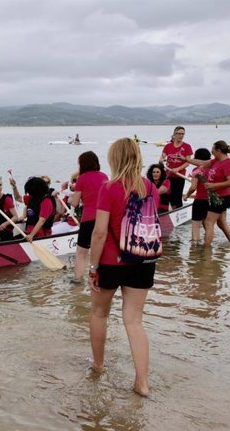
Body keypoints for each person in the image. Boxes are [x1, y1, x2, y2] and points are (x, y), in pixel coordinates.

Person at [88, 138, 161, 397]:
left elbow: (99, 232)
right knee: (134, 321)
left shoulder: (109, 188)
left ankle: (98, 366)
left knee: (99, 313)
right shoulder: (150, 186)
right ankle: (142, 382)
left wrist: (92, 266)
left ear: (114, 159)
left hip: (111, 261)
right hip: (142, 260)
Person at [181, 140, 230, 246]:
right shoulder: (216, 161)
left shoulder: (228, 163)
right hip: (215, 196)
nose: (212, 152)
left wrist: (213, 185)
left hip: (223, 196)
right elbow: (201, 163)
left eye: (213, 150)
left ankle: (206, 248)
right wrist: (186, 159)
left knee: (208, 222)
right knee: (220, 223)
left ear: (219, 151)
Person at [67, 151, 108, 283]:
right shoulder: (104, 176)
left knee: (81, 253)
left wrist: (69, 198)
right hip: (104, 218)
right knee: (102, 250)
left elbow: (74, 203)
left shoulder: (82, 179)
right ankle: (100, 277)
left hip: (88, 218)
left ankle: (78, 279)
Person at [159, 126, 193, 209]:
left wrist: (178, 169)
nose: (181, 136)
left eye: (183, 134)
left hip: (179, 175)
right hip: (168, 175)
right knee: (166, 195)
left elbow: (188, 162)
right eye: (179, 134)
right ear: (174, 134)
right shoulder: (168, 146)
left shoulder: (187, 146)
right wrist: (161, 161)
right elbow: (162, 157)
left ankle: (178, 211)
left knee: (177, 196)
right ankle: (166, 210)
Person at [183, 148, 212, 242]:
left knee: (196, 227)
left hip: (200, 200)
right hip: (212, 200)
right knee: (208, 226)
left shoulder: (197, 170)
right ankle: (207, 248)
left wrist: (187, 195)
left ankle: (195, 249)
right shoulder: (213, 169)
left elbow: (193, 187)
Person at [21, 176, 56, 242]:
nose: (29, 193)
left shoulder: (46, 201)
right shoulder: (31, 198)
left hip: (41, 235)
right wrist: (14, 187)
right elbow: (19, 199)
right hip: (28, 232)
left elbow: (42, 220)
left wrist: (31, 235)